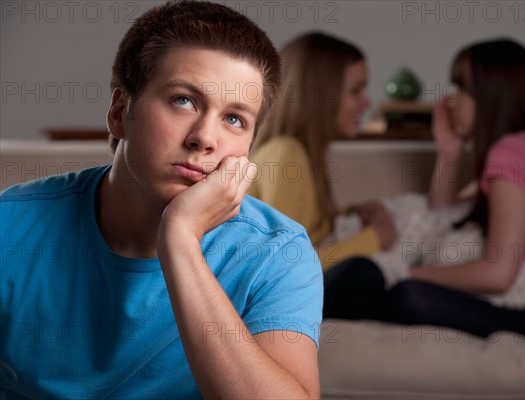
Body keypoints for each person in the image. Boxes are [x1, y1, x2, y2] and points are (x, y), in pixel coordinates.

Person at [0, 1, 322, 398]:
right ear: (120, 112)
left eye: (234, 118)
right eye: (183, 100)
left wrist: (181, 237)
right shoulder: (10, 226)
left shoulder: (277, 252)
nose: (205, 138)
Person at [325, 39, 525, 337]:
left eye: (463, 90)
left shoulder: (513, 152)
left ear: (492, 96)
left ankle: (298, 309)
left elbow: (498, 275)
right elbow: (443, 222)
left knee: (407, 294)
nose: (452, 100)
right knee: (374, 281)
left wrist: (405, 272)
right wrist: (449, 153)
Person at [248, 32, 397, 271]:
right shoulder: (287, 155)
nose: (367, 103)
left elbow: (308, 238)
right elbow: (285, 266)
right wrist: (374, 238)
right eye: (356, 91)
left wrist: (351, 214)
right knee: (363, 275)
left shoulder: (303, 154)